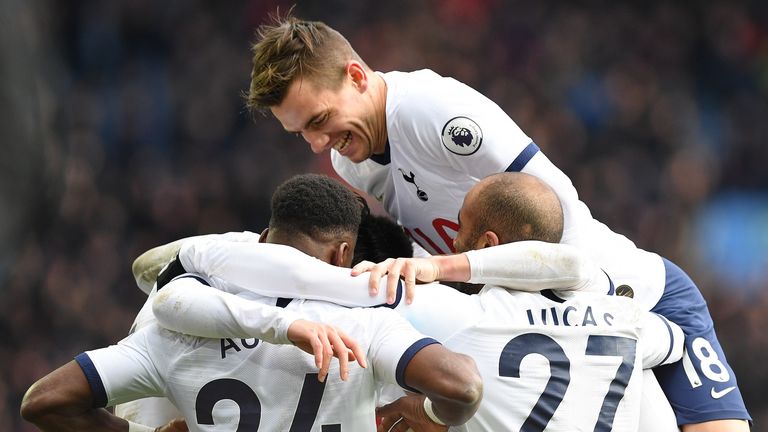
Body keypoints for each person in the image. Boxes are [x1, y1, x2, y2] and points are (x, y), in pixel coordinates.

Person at [244, 13, 751, 430]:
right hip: (562, 330)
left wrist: (574, 323)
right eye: (300, 133)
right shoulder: (350, 158)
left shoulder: (431, 111)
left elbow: (559, 214)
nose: (316, 144)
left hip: (630, 296)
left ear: (356, 77)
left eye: (318, 120)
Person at [145, 172, 684, 431]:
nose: (448, 244)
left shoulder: (451, 315)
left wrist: (244, 246)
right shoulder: (629, 321)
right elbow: (584, 275)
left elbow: (150, 271)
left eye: (461, 232)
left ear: (490, 246)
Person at [20, 174, 483, 431]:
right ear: (345, 256)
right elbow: (462, 387)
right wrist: (425, 414)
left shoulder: (176, 325)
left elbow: (44, 402)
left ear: (261, 239)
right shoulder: (362, 326)